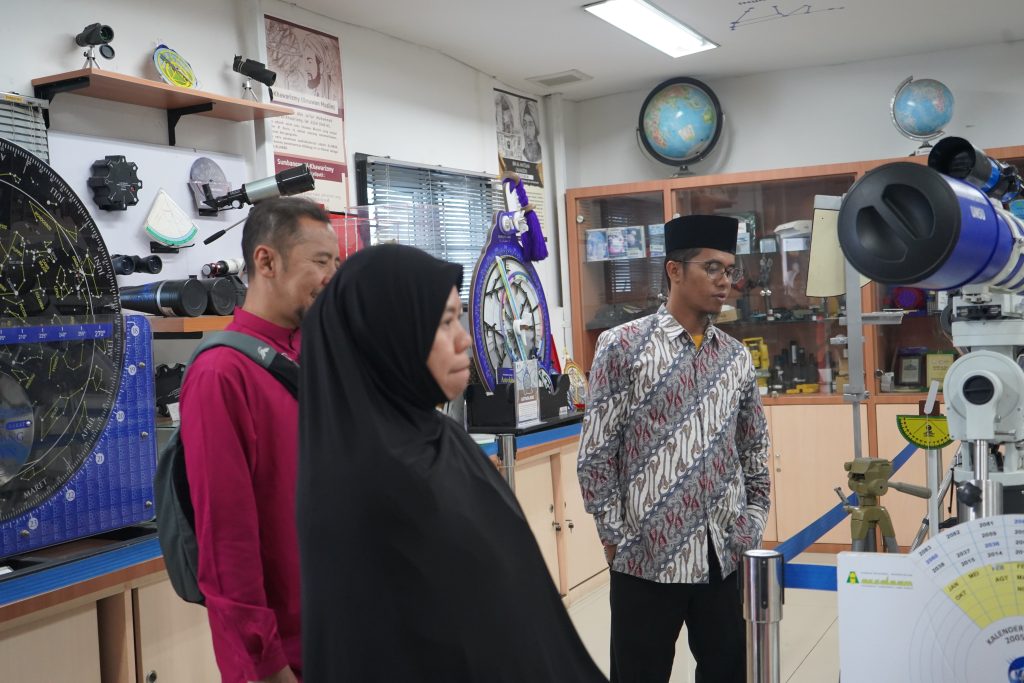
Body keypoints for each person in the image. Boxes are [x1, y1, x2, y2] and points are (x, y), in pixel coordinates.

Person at [297, 244, 607, 683]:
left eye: (458, 318)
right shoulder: (369, 486)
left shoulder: (440, 438)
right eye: (444, 323)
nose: (465, 339)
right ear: (390, 337)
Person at [577, 214, 771, 683]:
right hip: (645, 559)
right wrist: (615, 537)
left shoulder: (734, 356)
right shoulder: (623, 347)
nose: (724, 281)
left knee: (728, 672)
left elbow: (754, 446)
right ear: (674, 270)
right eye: (712, 268)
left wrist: (751, 521)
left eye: (730, 270)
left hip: (722, 555)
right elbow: (597, 451)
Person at [179, 197, 340, 683]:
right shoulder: (221, 374)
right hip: (284, 657)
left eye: (335, 263)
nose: (332, 277)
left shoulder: (317, 355)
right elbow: (226, 542)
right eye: (320, 262)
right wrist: (265, 664)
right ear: (266, 261)